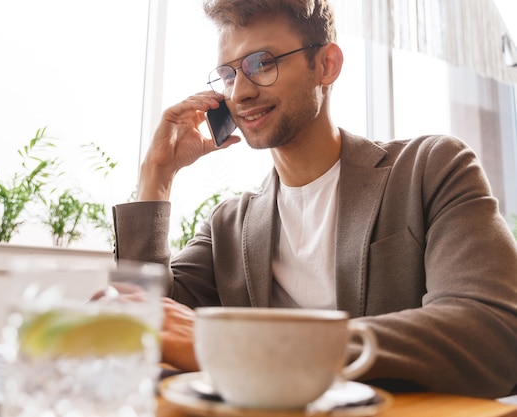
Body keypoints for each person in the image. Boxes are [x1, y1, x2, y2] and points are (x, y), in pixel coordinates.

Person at [111, 0, 517, 399]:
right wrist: (157, 175)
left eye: (262, 63)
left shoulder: (430, 168)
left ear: (327, 65)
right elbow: (146, 319)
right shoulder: (228, 227)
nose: (242, 92)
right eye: (228, 74)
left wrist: (257, 348)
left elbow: (493, 333)